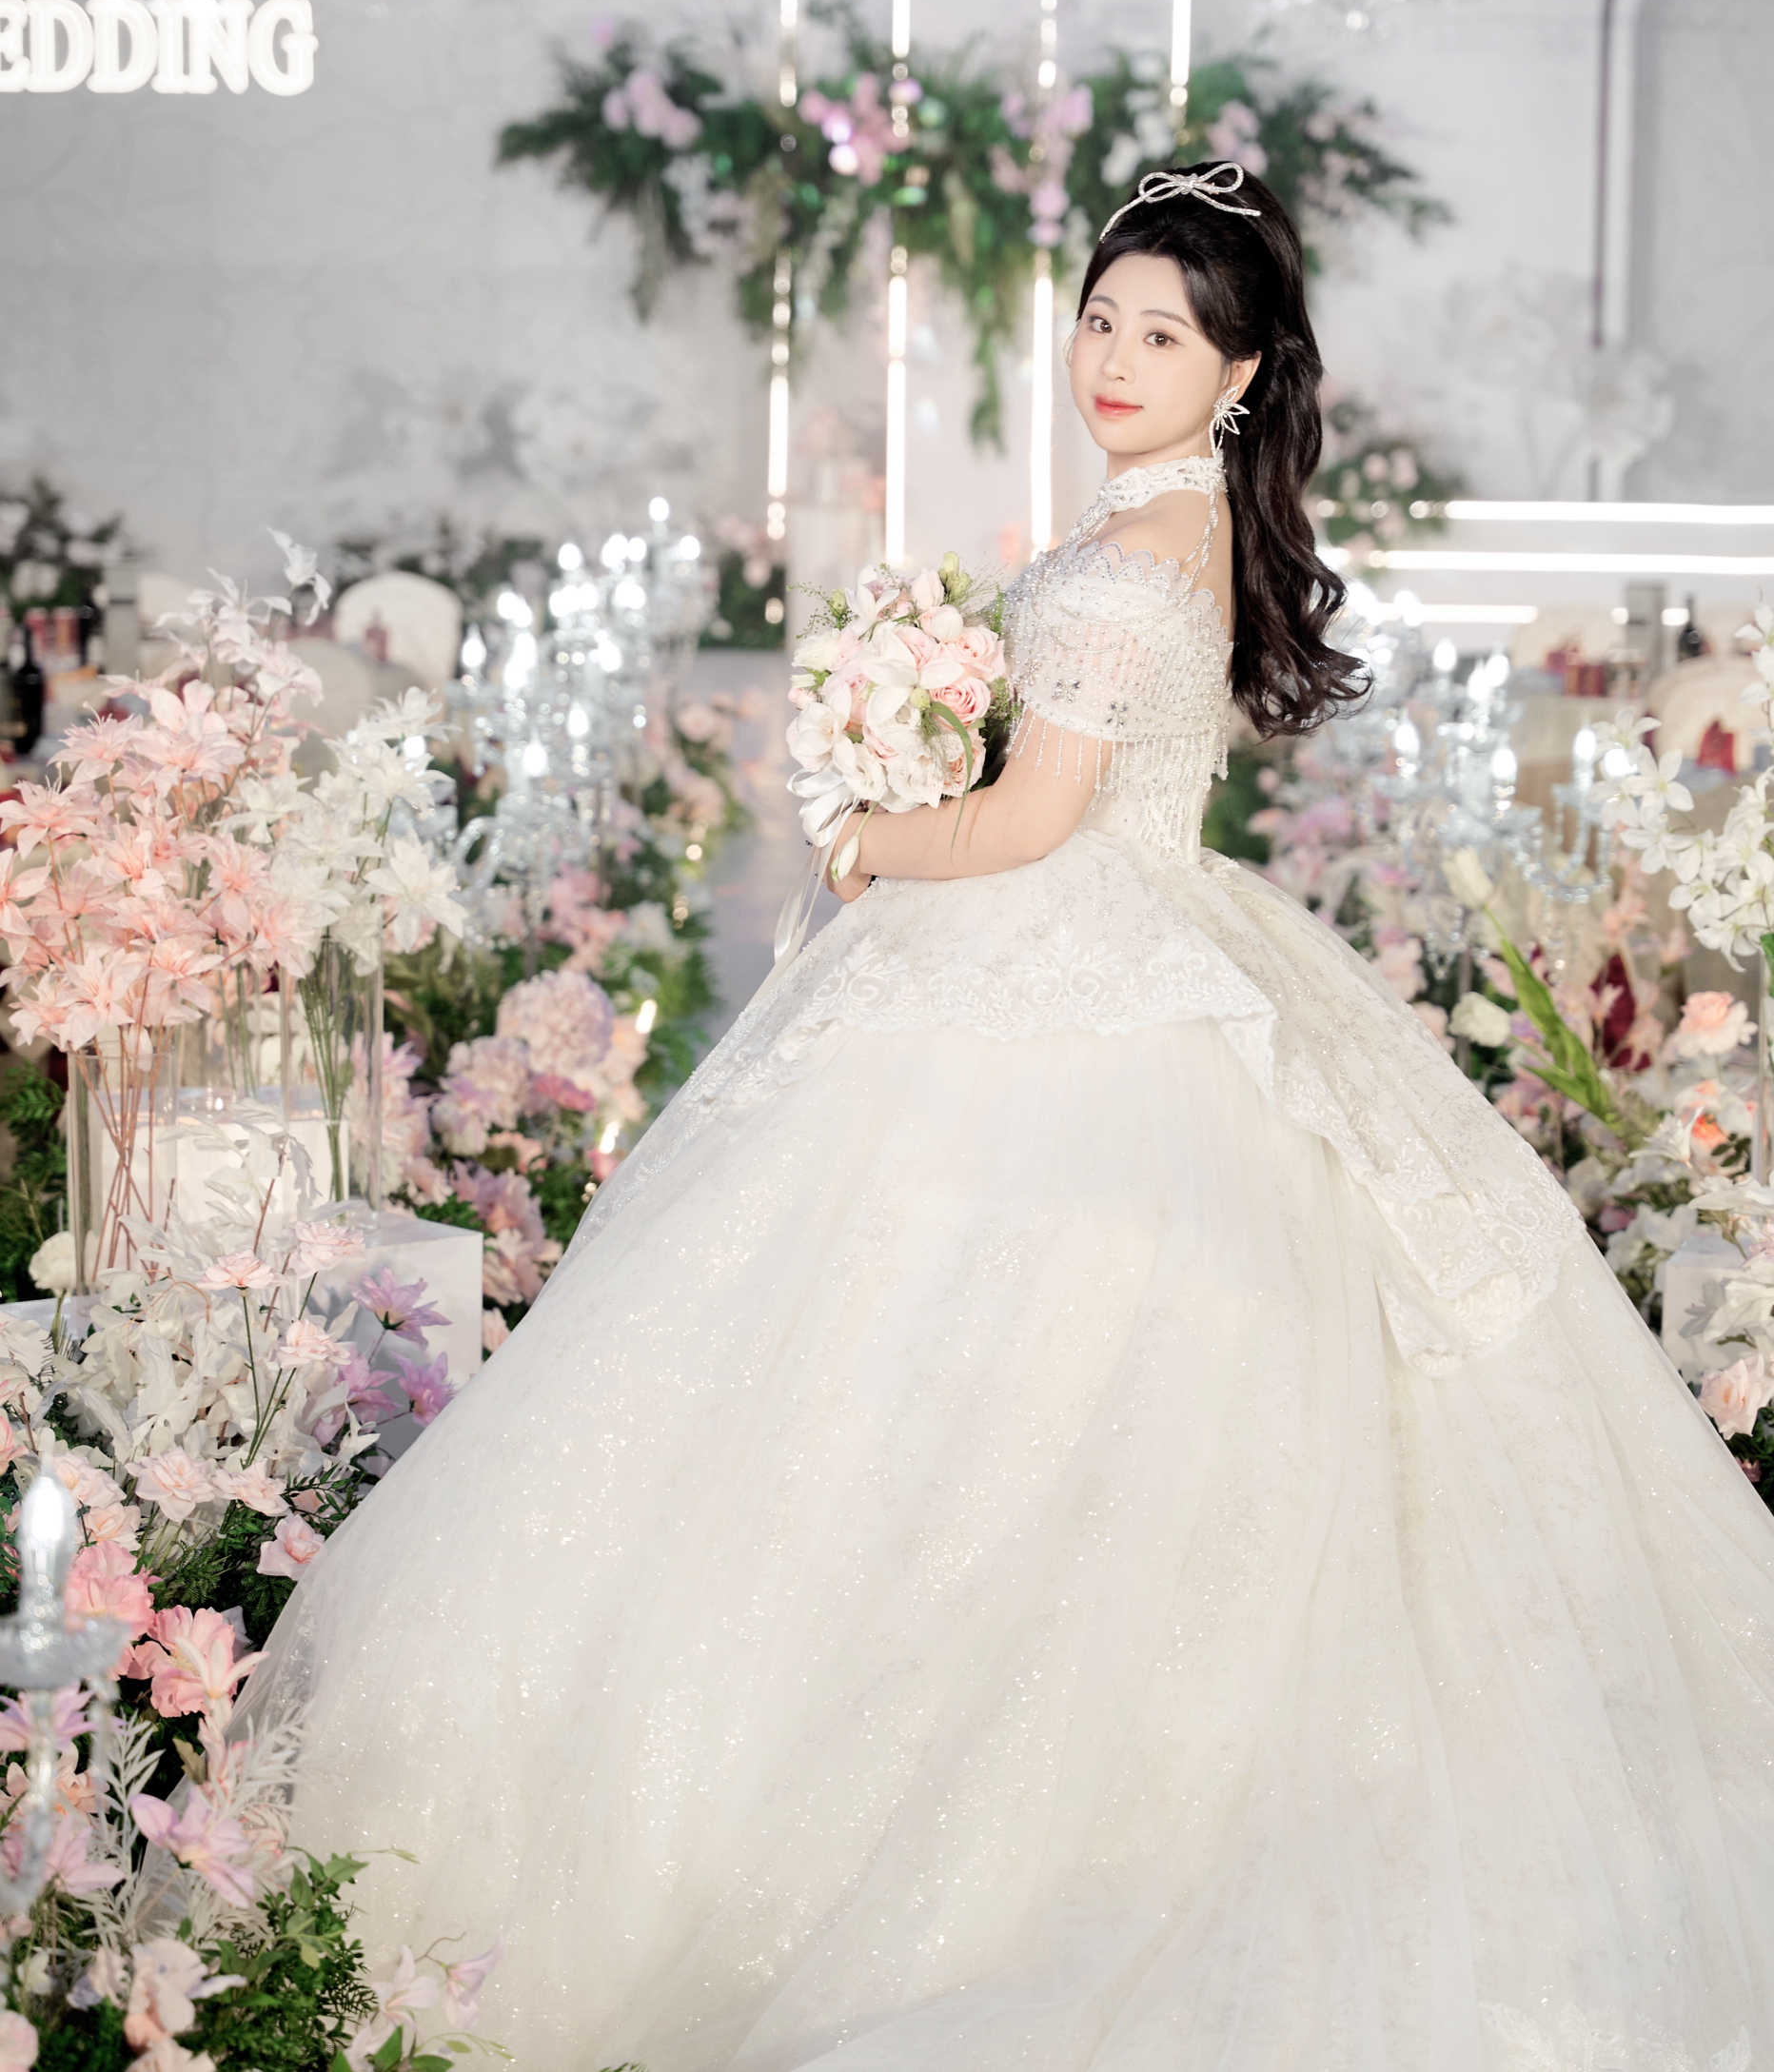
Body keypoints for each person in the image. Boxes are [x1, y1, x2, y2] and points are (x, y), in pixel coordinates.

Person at [244, 164, 1774, 2072]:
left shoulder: (1128, 569)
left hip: (1066, 961)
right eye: (1099, 318)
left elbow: (1033, 822)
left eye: (1161, 332)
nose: (1111, 357)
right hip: (1160, 937)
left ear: (1237, 372)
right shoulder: (1180, 528)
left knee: (917, 1371)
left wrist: (864, 831)